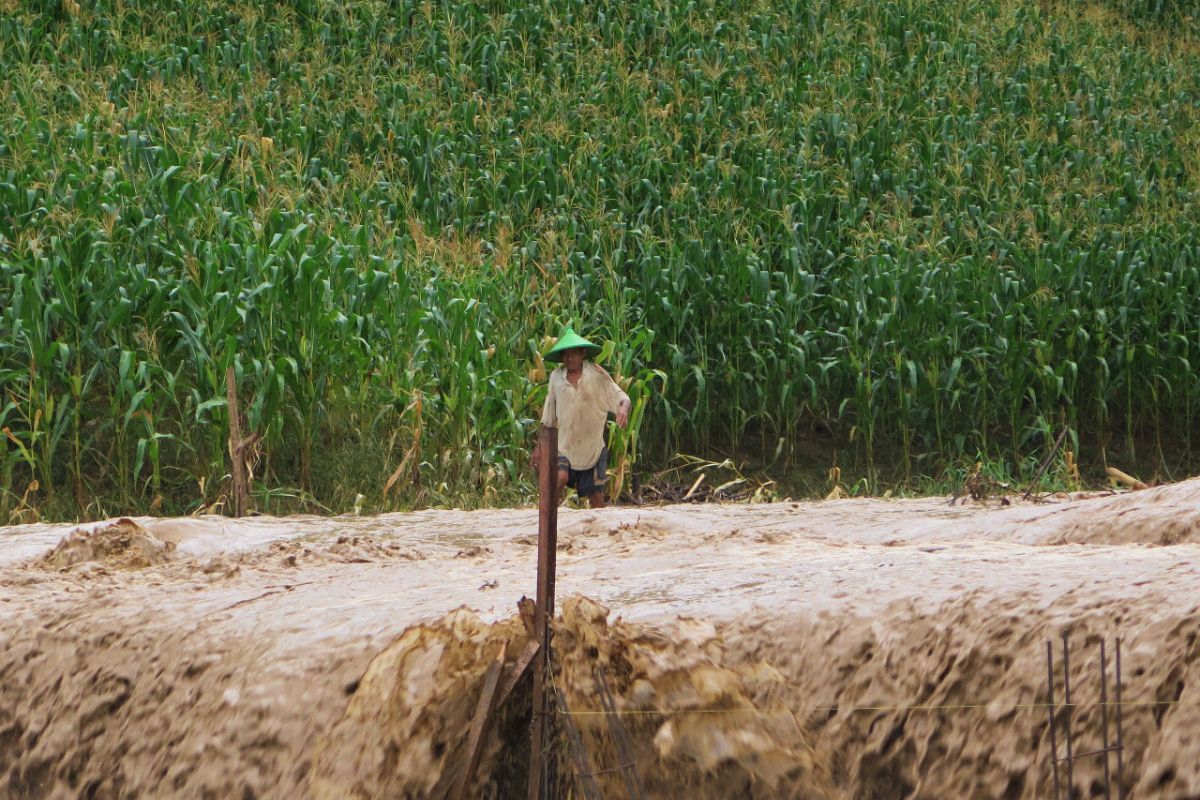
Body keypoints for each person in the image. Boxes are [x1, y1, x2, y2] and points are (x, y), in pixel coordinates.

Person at [539, 327, 631, 508]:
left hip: (593, 450)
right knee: (560, 478)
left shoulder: (597, 375)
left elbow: (620, 397)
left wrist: (623, 409)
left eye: (573, 353)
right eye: (565, 354)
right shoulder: (556, 378)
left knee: (597, 500)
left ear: (582, 354)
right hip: (565, 447)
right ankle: (550, 517)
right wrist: (540, 447)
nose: (569, 358)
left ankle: (597, 534)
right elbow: (548, 416)